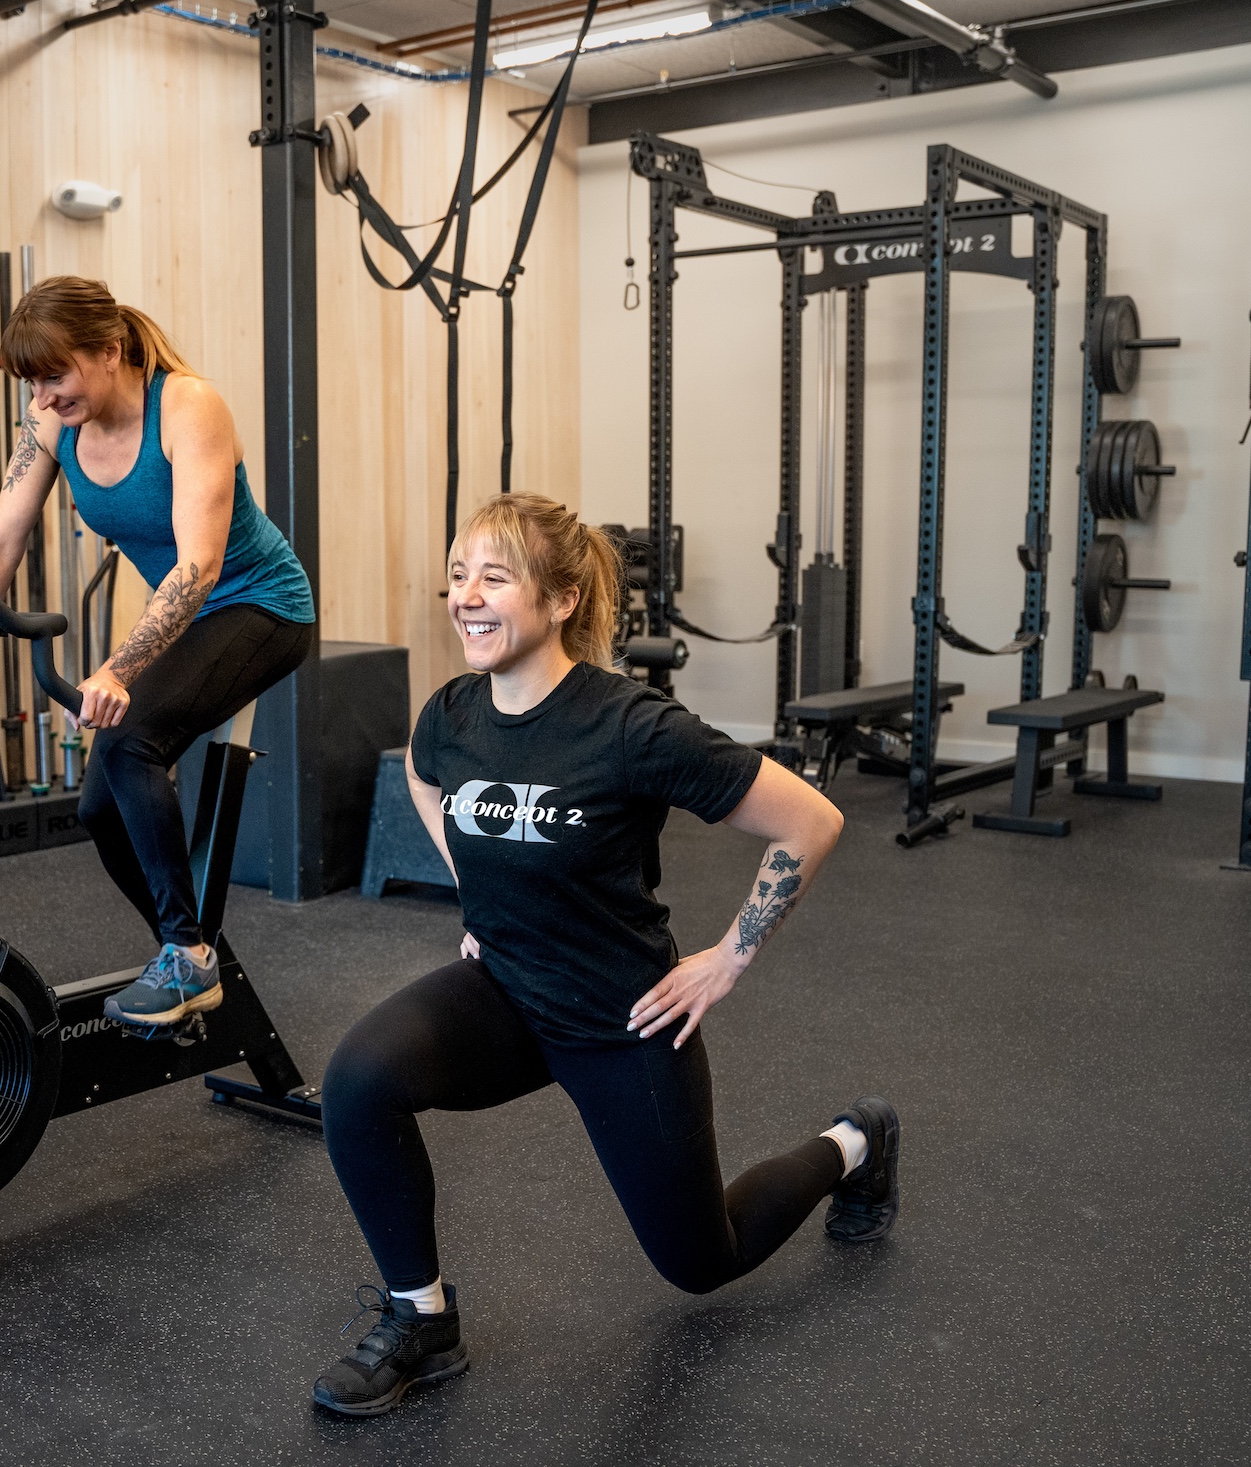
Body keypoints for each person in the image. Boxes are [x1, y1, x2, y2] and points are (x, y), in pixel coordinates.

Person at [310, 493, 899, 1418]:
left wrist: (725, 958)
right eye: (459, 574)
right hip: (503, 992)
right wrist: (477, 888)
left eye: (494, 578)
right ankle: (420, 1317)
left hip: (623, 1018)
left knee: (703, 1261)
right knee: (357, 1079)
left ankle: (855, 1140)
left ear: (561, 600)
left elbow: (810, 820)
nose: (466, 596)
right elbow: (427, 780)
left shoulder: (632, 726)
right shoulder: (452, 712)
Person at [0, 277, 315, 1024]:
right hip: (190, 614)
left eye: (56, 375)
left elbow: (199, 567)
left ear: (111, 351)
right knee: (99, 808)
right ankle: (188, 954)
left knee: (127, 747)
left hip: (261, 605)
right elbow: (1, 538)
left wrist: (120, 668)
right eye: (32, 382)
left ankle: (186, 957)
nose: (44, 398)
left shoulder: (188, 407)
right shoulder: (51, 425)